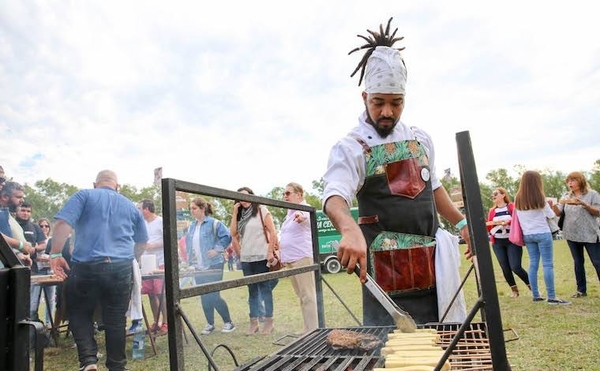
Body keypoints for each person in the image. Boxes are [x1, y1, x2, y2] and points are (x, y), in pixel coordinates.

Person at [322, 18, 470, 325]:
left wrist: (462, 222)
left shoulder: (420, 139)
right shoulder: (352, 146)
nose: (387, 112)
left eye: (396, 103)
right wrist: (349, 230)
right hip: (386, 278)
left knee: (440, 343)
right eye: (378, 103)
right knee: (391, 352)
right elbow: (334, 194)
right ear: (365, 98)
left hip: (433, 269)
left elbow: (435, 188)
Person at [49, 170, 148, 371]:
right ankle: (117, 366)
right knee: (116, 318)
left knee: (79, 312)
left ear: (95, 184)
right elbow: (142, 242)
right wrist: (133, 257)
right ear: (117, 186)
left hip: (86, 266)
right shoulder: (130, 205)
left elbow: (62, 223)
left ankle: (88, 361)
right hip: (120, 266)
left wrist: (55, 254)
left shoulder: (84, 195)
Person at [514, 170, 570, 305]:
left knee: (533, 264)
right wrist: (550, 205)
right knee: (547, 264)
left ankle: (536, 295)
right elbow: (551, 215)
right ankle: (551, 296)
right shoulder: (540, 198)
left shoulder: (518, 199)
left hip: (528, 235)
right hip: (542, 233)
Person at [230, 187, 278, 334]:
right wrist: (234, 212)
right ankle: (254, 322)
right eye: (239, 197)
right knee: (252, 292)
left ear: (251, 196)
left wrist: (270, 251)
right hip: (246, 259)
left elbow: (273, 232)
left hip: (262, 257)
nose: (243, 199)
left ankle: (269, 321)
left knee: (265, 290)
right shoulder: (239, 215)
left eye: (245, 195)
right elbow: (233, 233)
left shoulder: (261, 210)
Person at [186, 197, 236, 335]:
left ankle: (228, 322)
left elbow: (227, 236)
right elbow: (190, 245)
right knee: (203, 295)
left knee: (213, 294)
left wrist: (217, 250)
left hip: (214, 264)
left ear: (202, 209)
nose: (192, 211)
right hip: (198, 266)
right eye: (191, 208)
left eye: (194, 208)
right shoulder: (191, 226)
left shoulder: (215, 223)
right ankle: (210, 323)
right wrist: (190, 263)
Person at [551, 171, 600, 298]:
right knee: (578, 262)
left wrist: (584, 204)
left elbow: (598, 212)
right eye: (568, 181)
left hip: (589, 233)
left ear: (580, 181)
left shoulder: (592, 194)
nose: (570, 183)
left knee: (597, 262)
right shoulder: (566, 196)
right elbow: (558, 213)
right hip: (571, 234)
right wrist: (552, 206)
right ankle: (581, 290)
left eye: (573, 180)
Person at [279, 182, 318, 334]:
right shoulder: (289, 214)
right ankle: (307, 327)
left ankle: (314, 329)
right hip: (291, 259)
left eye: (288, 193)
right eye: (284, 194)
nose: (285, 196)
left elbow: (305, 218)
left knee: (307, 294)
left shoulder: (304, 209)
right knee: (301, 295)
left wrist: (301, 216)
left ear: (299, 194)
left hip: (302, 257)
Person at [486, 187, 530, 297]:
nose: (493, 196)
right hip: (498, 243)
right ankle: (514, 291)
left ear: (503, 195)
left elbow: (518, 219)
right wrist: (494, 225)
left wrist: (508, 222)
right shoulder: (492, 211)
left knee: (515, 267)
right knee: (505, 267)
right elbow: (489, 226)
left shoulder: (512, 207)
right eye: (492, 194)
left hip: (512, 241)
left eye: (496, 193)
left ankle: (532, 286)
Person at [16, 202, 51, 324]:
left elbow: (43, 244)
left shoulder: (35, 227)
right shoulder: (11, 224)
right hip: (13, 267)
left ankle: (31, 333)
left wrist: (34, 248)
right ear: (17, 210)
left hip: (32, 269)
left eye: (28, 211)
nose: (26, 213)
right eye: (23, 210)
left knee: (32, 303)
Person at [137, 199, 167, 335]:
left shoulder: (160, 221)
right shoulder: (141, 224)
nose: (138, 211)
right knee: (150, 294)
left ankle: (166, 323)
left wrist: (155, 245)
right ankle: (156, 321)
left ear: (147, 209)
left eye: (139, 208)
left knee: (161, 294)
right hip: (146, 263)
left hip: (160, 262)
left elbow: (169, 239)